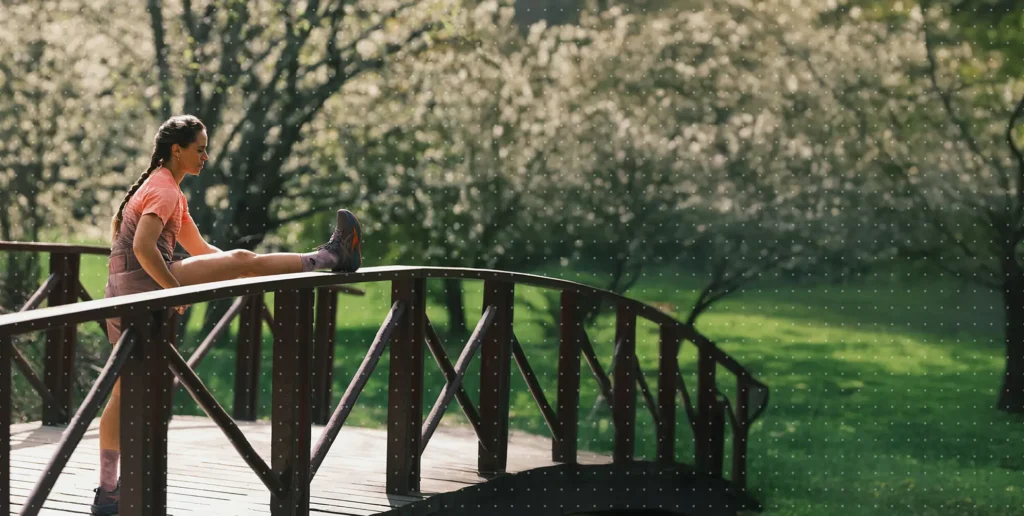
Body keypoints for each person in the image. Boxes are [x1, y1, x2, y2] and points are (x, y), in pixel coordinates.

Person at [91, 115, 362, 515]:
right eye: (199, 149)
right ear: (176, 151)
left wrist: (247, 269)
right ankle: (330, 256)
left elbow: (202, 250)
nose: (205, 156)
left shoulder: (166, 190)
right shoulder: (164, 191)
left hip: (121, 292)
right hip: (140, 285)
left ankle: (108, 494)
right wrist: (177, 287)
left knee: (120, 394)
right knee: (242, 260)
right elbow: (147, 248)